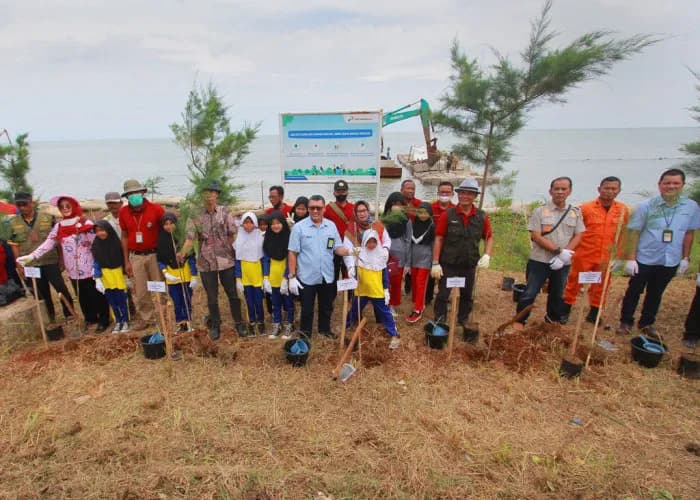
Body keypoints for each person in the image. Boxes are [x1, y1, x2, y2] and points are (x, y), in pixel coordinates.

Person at [617, 168, 700, 336]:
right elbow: (633, 232)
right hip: (645, 257)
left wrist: (685, 258)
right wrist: (631, 259)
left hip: (670, 259)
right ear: (660, 185)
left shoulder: (691, 206)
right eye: (667, 183)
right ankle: (626, 321)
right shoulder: (645, 206)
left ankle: (647, 322)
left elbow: (689, 233)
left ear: (682, 185)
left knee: (656, 292)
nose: (671, 186)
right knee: (634, 290)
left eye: (675, 183)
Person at [18, 195, 111, 332]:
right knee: (81, 295)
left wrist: (99, 266)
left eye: (68, 206)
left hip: (89, 268)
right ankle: (90, 318)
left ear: (74, 206)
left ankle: (103, 320)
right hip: (73, 270)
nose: (65, 209)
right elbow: (48, 243)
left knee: (96, 294)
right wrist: (32, 256)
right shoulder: (59, 227)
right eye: (62, 207)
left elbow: (97, 246)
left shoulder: (86, 225)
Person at [513, 177, 584, 329]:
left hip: (563, 263)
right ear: (550, 191)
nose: (560, 192)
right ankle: (520, 321)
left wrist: (566, 255)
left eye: (563, 189)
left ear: (569, 191)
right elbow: (536, 236)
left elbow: (578, 235)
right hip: (540, 260)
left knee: (558, 294)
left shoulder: (575, 213)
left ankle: (552, 321)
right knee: (529, 293)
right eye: (556, 189)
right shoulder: (540, 211)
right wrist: (558, 251)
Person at [179, 182, 245, 340]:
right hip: (206, 262)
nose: (209, 195)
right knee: (211, 296)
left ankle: (239, 323)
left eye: (213, 192)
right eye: (206, 192)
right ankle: (215, 324)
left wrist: (235, 251)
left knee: (232, 294)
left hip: (226, 260)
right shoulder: (195, 215)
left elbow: (232, 234)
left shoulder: (224, 211)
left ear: (217, 195)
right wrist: (182, 253)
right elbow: (190, 238)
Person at [562, 177, 629, 323]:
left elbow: (624, 234)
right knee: (574, 282)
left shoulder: (622, 210)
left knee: (601, 285)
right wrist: (569, 251)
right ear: (599, 189)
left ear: (619, 191)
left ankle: (594, 312)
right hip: (584, 254)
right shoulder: (585, 208)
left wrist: (619, 256)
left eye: (613, 189)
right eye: (607, 188)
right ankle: (565, 310)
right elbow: (573, 231)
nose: (610, 191)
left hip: (606, 257)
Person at [430, 178, 493, 327]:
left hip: (468, 264)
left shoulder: (481, 216)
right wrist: (435, 262)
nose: (465, 196)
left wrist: (487, 254)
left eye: (469, 193)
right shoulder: (448, 214)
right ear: (458, 195)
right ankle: (440, 320)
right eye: (462, 193)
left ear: (475, 196)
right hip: (449, 263)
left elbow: (489, 237)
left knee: (467, 295)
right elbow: (439, 238)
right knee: (443, 294)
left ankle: (463, 319)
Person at [287, 194, 351, 339]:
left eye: (318, 208)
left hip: (327, 275)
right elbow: (292, 253)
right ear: (308, 209)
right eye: (312, 208)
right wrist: (291, 276)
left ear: (324, 209)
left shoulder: (331, 226)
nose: (315, 211)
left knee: (326, 306)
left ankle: (324, 330)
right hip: (307, 277)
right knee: (307, 309)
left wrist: (351, 251)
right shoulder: (299, 228)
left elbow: (337, 248)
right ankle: (305, 334)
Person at [8, 191, 74, 323]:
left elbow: (58, 240)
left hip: (50, 261)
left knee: (60, 287)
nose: (22, 207)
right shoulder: (13, 223)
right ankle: (50, 318)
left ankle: (70, 314)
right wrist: (18, 265)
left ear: (32, 203)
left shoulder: (47, 218)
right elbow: (14, 245)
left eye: (25, 204)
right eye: (19, 205)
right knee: (41, 294)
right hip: (30, 264)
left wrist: (61, 259)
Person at [118, 179, 164, 329]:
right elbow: (124, 236)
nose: (134, 196)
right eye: (130, 194)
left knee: (159, 286)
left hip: (154, 254)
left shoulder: (156, 209)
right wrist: (126, 261)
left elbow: (165, 232)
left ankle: (162, 316)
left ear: (143, 193)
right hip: (135, 256)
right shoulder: (123, 212)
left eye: (136, 193)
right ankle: (147, 318)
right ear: (126, 197)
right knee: (140, 290)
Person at [344, 229, 400, 349]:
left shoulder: (381, 255)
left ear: (377, 243)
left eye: (374, 242)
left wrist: (385, 290)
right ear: (364, 242)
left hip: (376, 290)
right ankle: (346, 327)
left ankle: (394, 334)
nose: (371, 245)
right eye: (369, 242)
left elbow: (384, 275)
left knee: (385, 312)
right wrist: (353, 271)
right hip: (362, 290)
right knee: (354, 309)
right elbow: (354, 270)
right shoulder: (360, 254)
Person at [157, 213, 197, 333]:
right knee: (177, 301)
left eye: (171, 223)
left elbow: (191, 258)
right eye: (166, 224)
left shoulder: (183, 240)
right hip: (172, 277)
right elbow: (160, 259)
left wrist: (194, 276)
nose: (169, 227)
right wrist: (165, 273)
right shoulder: (161, 240)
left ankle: (188, 322)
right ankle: (180, 323)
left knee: (187, 299)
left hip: (185, 275)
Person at [91, 220, 129, 333]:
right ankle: (118, 321)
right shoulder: (96, 245)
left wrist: (127, 276)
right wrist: (97, 278)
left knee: (121, 299)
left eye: (102, 230)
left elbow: (123, 260)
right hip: (106, 277)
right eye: (97, 231)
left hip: (117, 274)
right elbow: (96, 262)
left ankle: (125, 320)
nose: (100, 233)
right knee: (112, 301)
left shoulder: (116, 243)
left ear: (108, 230)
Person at [262, 210, 294, 339]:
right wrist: (265, 277)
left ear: (283, 223)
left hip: (285, 277)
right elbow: (265, 259)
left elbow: (291, 259)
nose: (275, 226)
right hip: (273, 276)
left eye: (278, 223)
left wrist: (287, 277)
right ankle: (276, 324)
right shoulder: (267, 239)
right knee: (275, 303)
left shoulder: (289, 238)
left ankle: (289, 324)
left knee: (288, 303)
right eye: (272, 223)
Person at [234, 211, 266, 337]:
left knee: (258, 301)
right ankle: (251, 323)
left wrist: (265, 277)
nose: (248, 225)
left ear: (255, 223)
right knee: (249, 301)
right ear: (242, 224)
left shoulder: (260, 237)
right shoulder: (239, 238)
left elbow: (264, 259)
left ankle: (261, 322)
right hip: (245, 274)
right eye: (245, 223)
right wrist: (238, 278)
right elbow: (237, 259)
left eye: (250, 222)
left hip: (257, 273)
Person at [381, 192, 410, 317]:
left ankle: (393, 304)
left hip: (400, 256)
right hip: (385, 255)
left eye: (399, 204)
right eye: (394, 204)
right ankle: (383, 303)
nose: (397, 207)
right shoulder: (384, 219)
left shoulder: (406, 221)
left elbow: (409, 240)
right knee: (384, 280)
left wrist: (408, 261)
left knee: (396, 282)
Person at [426, 181, 455, 305]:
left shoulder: (455, 210)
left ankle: (444, 297)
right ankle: (427, 298)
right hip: (432, 246)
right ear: (438, 193)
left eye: (447, 192)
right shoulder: (430, 208)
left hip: (449, 248)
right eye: (442, 192)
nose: (444, 194)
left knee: (446, 273)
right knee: (430, 273)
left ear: (452, 194)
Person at [406, 202, 435, 323]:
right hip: (413, 258)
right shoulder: (412, 225)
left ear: (430, 214)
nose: (422, 215)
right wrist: (407, 263)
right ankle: (418, 302)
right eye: (420, 212)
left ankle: (418, 309)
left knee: (420, 282)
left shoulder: (432, 226)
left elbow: (434, 245)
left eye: (425, 213)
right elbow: (408, 243)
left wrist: (434, 263)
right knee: (414, 281)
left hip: (425, 258)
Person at [324, 180, 355, 282]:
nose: (341, 194)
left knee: (349, 271)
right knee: (332, 270)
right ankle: (331, 294)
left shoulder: (353, 208)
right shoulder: (327, 209)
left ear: (347, 193)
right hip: (332, 242)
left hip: (349, 243)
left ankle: (350, 296)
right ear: (334, 193)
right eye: (338, 191)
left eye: (343, 191)